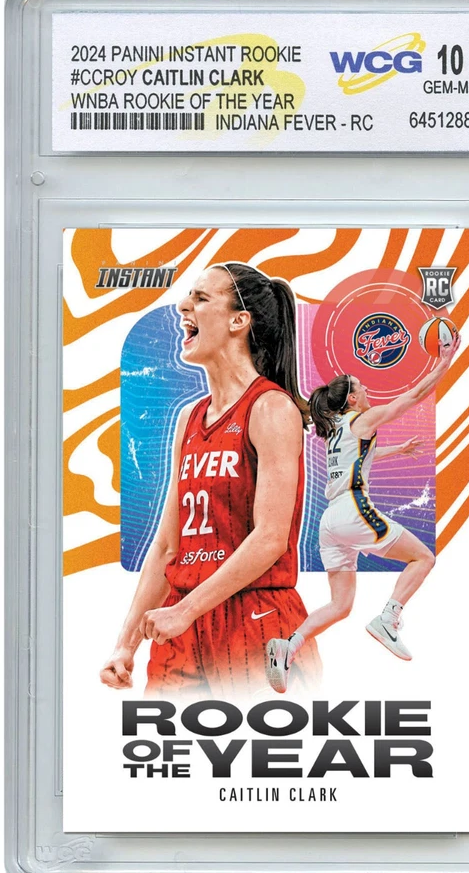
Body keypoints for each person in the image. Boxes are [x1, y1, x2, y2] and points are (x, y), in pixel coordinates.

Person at [100, 261, 321, 697]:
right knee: (161, 738)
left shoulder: (272, 409)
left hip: (255, 619)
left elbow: (270, 538)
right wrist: (126, 644)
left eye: (200, 298)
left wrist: (186, 610)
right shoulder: (190, 417)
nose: (183, 306)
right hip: (180, 626)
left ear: (239, 321)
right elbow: (168, 546)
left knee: (263, 741)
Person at [265, 332, 462, 692]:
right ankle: (389, 618)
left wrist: (397, 450)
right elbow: (413, 396)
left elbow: (359, 457)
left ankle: (288, 646)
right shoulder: (363, 419)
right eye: (360, 386)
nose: (367, 387)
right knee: (423, 558)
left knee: (341, 605)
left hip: (330, 521)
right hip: (354, 511)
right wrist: (444, 360)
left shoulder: (337, 430)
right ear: (352, 398)